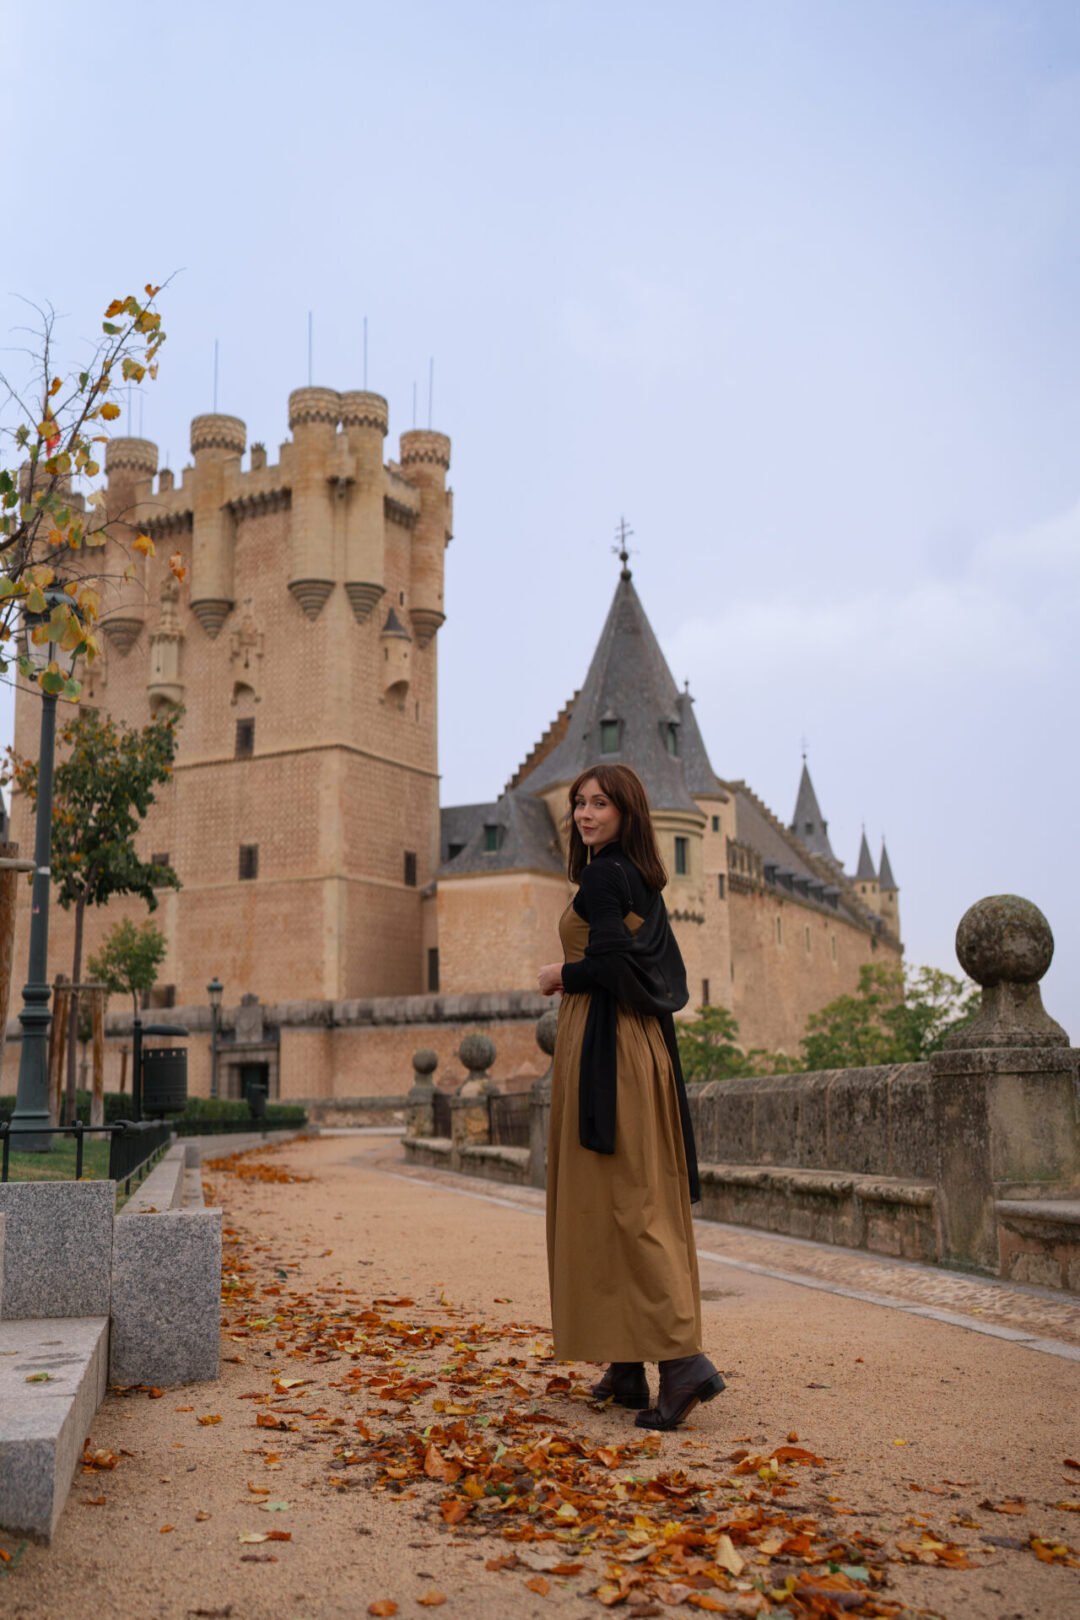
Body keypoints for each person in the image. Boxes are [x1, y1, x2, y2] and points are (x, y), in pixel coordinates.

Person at [537, 763, 724, 1431]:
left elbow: (614, 965)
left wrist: (562, 972)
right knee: (615, 1201)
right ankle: (625, 1367)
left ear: (626, 814)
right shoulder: (641, 876)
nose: (586, 815)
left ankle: (681, 1366)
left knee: (627, 1205)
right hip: (635, 1047)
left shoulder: (605, 874)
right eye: (579, 803)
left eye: (600, 805)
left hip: (607, 1050)